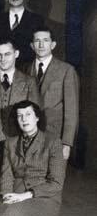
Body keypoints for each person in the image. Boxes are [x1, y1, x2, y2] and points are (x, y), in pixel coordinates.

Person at [26, 26, 79, 160]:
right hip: (29, 136)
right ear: (32, 45)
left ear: (53, 44)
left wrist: (67, 143)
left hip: (55, 138)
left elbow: (71, 111)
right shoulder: (25, 69)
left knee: (54, 178)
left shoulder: (66, 70)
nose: (41, 44)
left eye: (45, 40)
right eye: (37, 41)